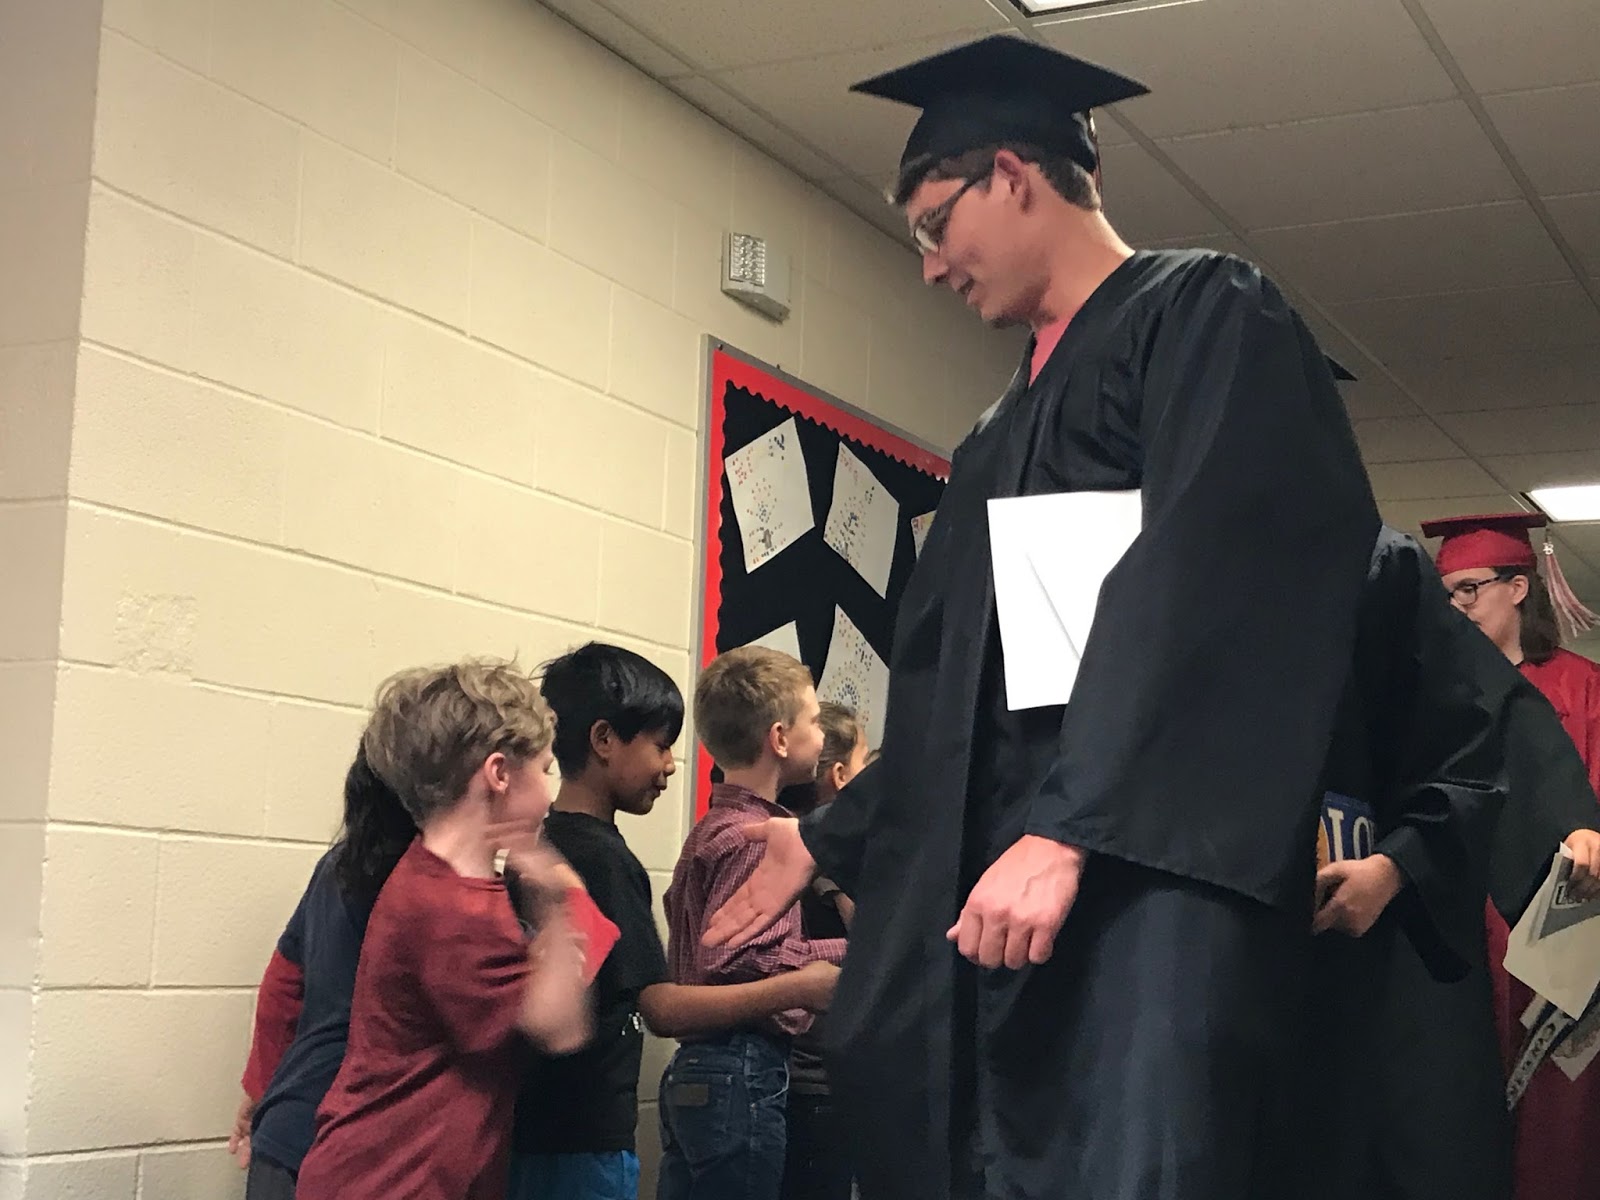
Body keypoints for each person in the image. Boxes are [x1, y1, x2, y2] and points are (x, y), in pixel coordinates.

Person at [701, 33, 1384, 1200]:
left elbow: (1206, 588)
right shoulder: (992, 434)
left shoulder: (1205, 316)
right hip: (1008, 906)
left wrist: (1069, 831)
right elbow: (958, 691)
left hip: (1139, 899)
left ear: (1012, 175)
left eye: (933, 225)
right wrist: (831, 835)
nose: (929, 267)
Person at [509, 644, 840, 1200]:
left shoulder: (552, 844)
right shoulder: (604, 859)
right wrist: (809, 981)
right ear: (603, 739)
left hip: (552, 1126)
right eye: (661, 745)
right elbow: (664, 1004)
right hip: (586, 1132)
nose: (670, 765)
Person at [295, 659, 618, 1200]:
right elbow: (559, 1026)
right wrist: (558, 897)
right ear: (499, 774)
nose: (550, 793)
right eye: (545, 769)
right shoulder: (455, 909)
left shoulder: (438, 880)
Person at [1422, 511, 1600, 1200]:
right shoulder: (1438, 697)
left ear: (1518, 588)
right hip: (1461, 927)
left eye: (1469, 589)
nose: (1457, 607)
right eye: (1447, 595)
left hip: (1558, 927)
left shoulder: (1583, 687)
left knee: (1560, 1110)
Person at [657, 648, 848, 1200]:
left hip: (700, 1069)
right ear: (780, 738)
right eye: (814, 721)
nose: (822, 735)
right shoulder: (755, 837)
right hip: (741, 1066)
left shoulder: (711, 827)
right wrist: (841, 954)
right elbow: (736, 959)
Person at [226, 745, 416, 1199]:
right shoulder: (440, 890)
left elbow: (282, 987)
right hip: (357, 1153)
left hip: (288, 1132)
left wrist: (262, 1092)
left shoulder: (338, 865)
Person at [780, 703, 869, 1200]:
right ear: (839, 776)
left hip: (804, 1075)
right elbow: (869, 934)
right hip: (812, 1076)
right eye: (863, 765)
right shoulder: (819, 857)